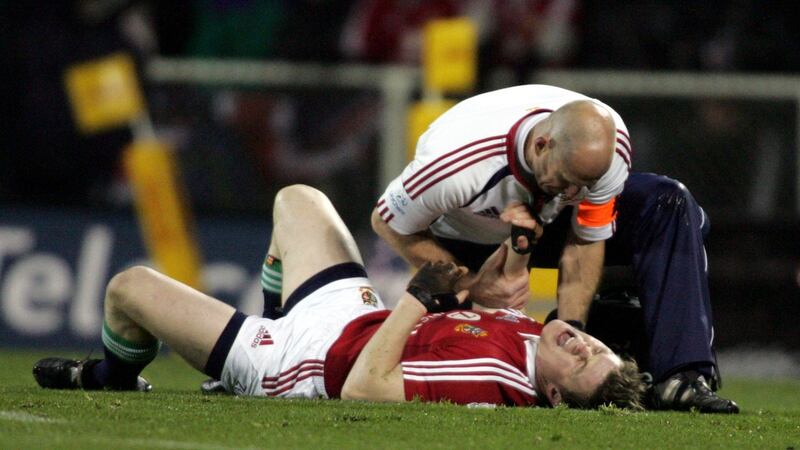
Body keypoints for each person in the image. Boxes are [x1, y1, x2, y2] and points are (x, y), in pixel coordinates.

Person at [33, 184, 645, 409]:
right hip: (354, 318)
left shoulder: (496, 377)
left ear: (557, 394)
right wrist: (515, 247)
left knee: (127, 288)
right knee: (299, 200)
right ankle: (245, 351)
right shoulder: (528, 346)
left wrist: (418, 298)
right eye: (597, 347)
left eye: (584, 361)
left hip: (304, 362)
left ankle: (114, 380)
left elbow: (364, 389)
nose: (584, 342)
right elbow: (485, 309)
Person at [371, 84, 739, 413]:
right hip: (467, 239)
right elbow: (387, 222)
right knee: (466, 354)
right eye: (565, 180)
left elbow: (586, 240)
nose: (572, 192)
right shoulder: (456, 167)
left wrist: (573, 329)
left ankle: (683, 379)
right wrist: (470, 284)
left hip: (547, 223)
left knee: (670, 204)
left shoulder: (607, 151)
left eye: (585, 184)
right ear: (541, 145)